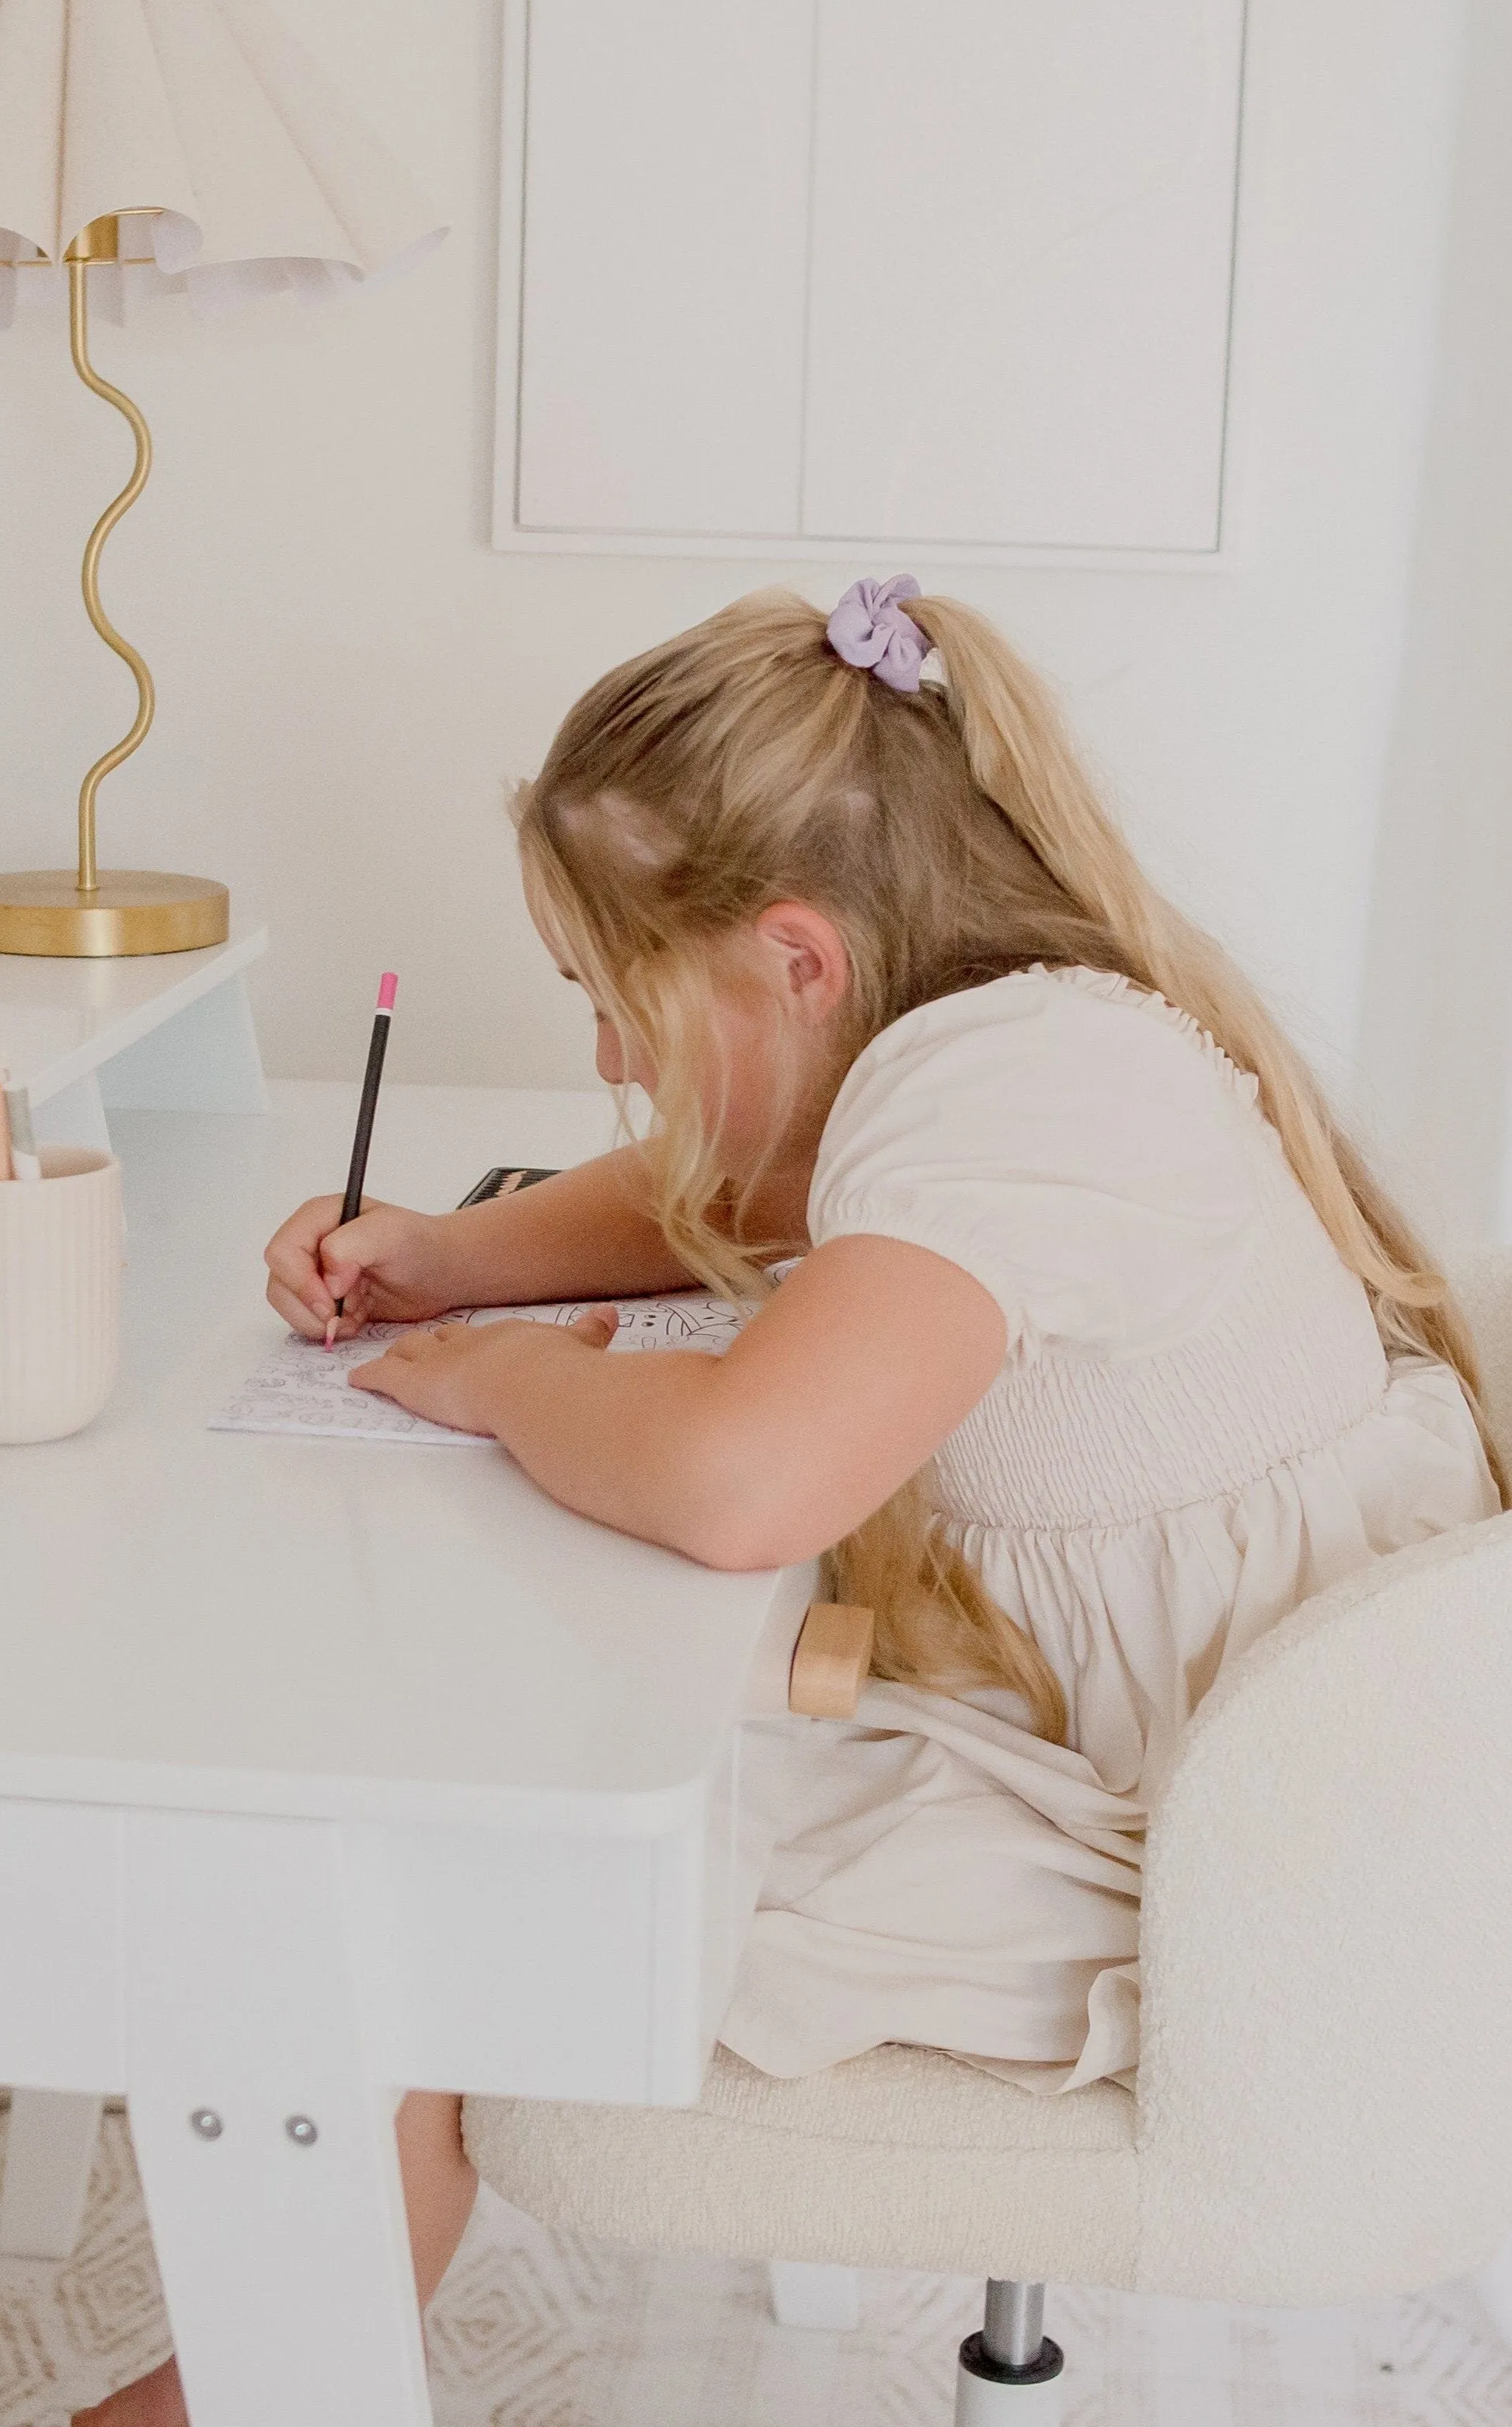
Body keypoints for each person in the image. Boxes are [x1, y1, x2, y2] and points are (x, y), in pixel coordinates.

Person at [75, 578, 1502, 2427]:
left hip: (1223, 1868)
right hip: (1211, 1757)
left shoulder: (1019, 1093)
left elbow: (746, 1482)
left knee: (428, 1891)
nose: (605, 1059)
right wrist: (451, 1257)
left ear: (798, 957)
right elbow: (761, 1179)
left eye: (615, 1001)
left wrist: (513, 1379)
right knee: (471, 1805)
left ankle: (253, 2401)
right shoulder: (991, 1042)